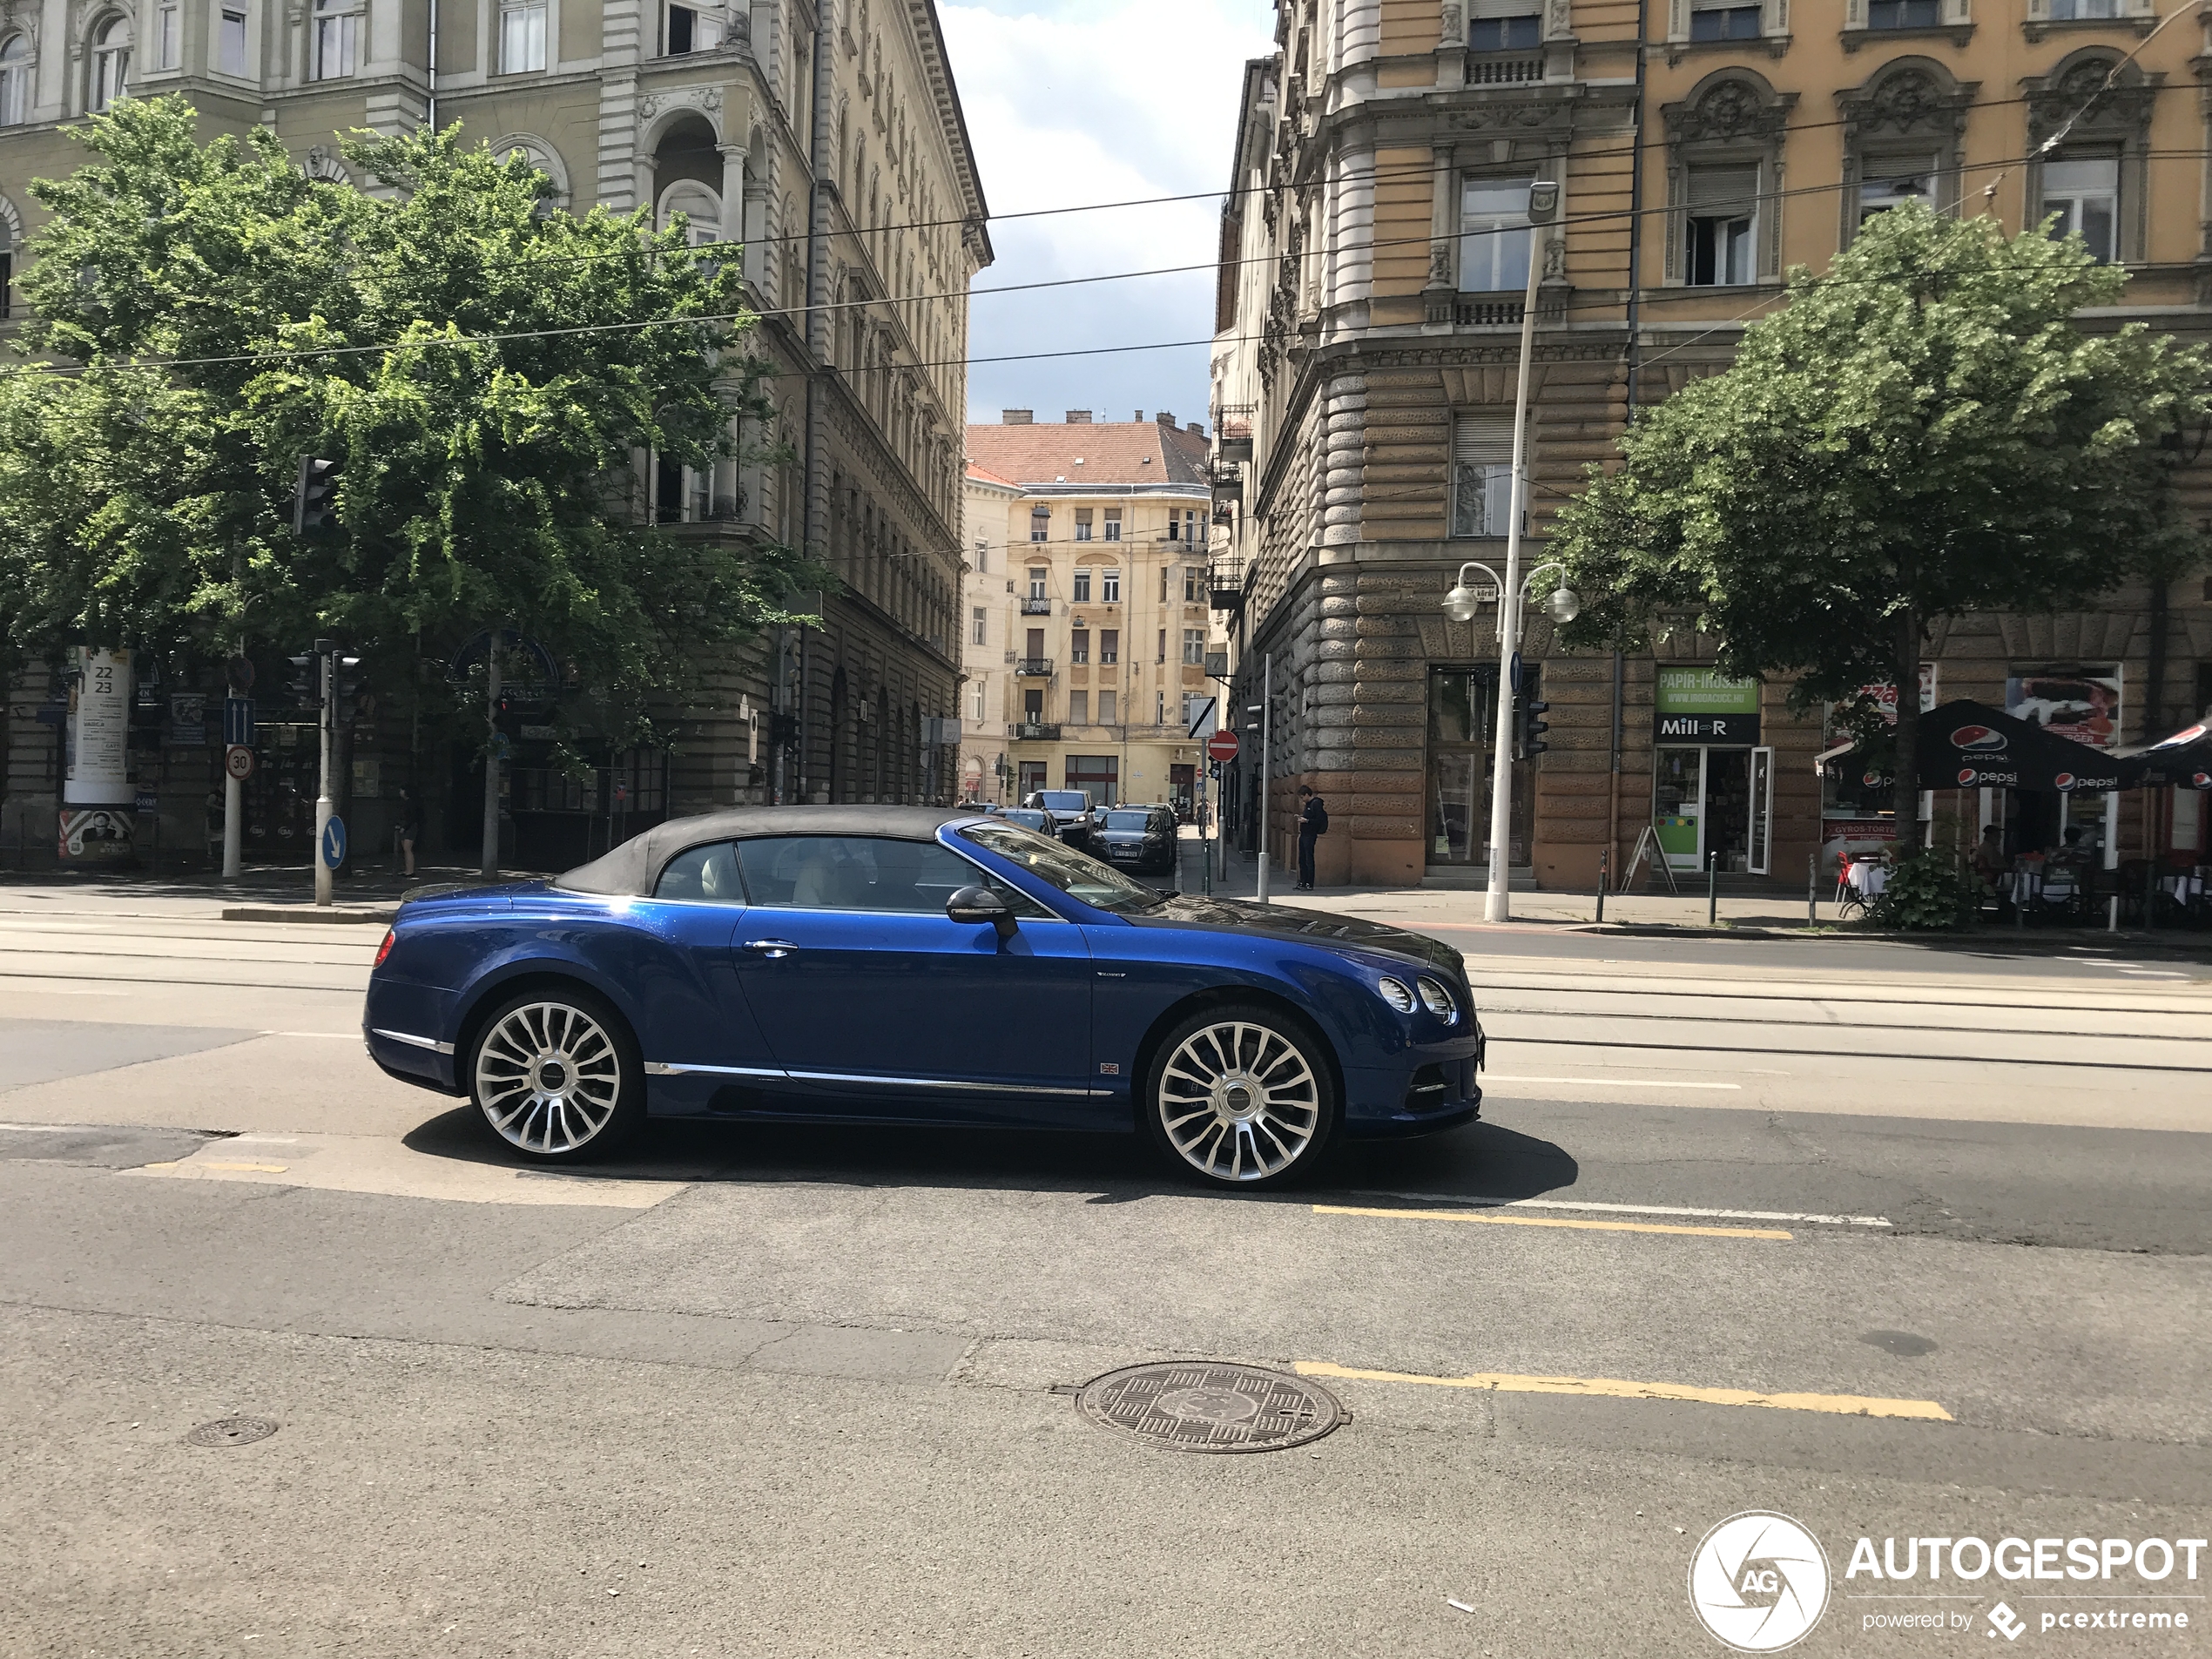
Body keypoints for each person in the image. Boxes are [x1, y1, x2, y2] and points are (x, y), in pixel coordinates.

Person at [1296, 784, 1329, 891]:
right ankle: (1303, 882)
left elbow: (1319, 820)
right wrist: (1302, 818)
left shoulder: (1316, 804)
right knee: (1302, 859)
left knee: (1308, 859)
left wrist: (1307, 821)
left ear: (1306, 794)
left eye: (1302, 797)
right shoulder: (1308, 804)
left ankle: (1310, 883)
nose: (1302, 800)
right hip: (1304, 834)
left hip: (1310, 835)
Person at [397, 786, 423, 878]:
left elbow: (411, 817)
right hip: (406, 826)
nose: (400, 792)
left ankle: (410, 871)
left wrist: (404, 827)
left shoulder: (411, 803)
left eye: (401, 790)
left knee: (407, 848)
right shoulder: (405, 803)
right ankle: (407, 870)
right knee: (406, 849)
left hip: (410, 827)